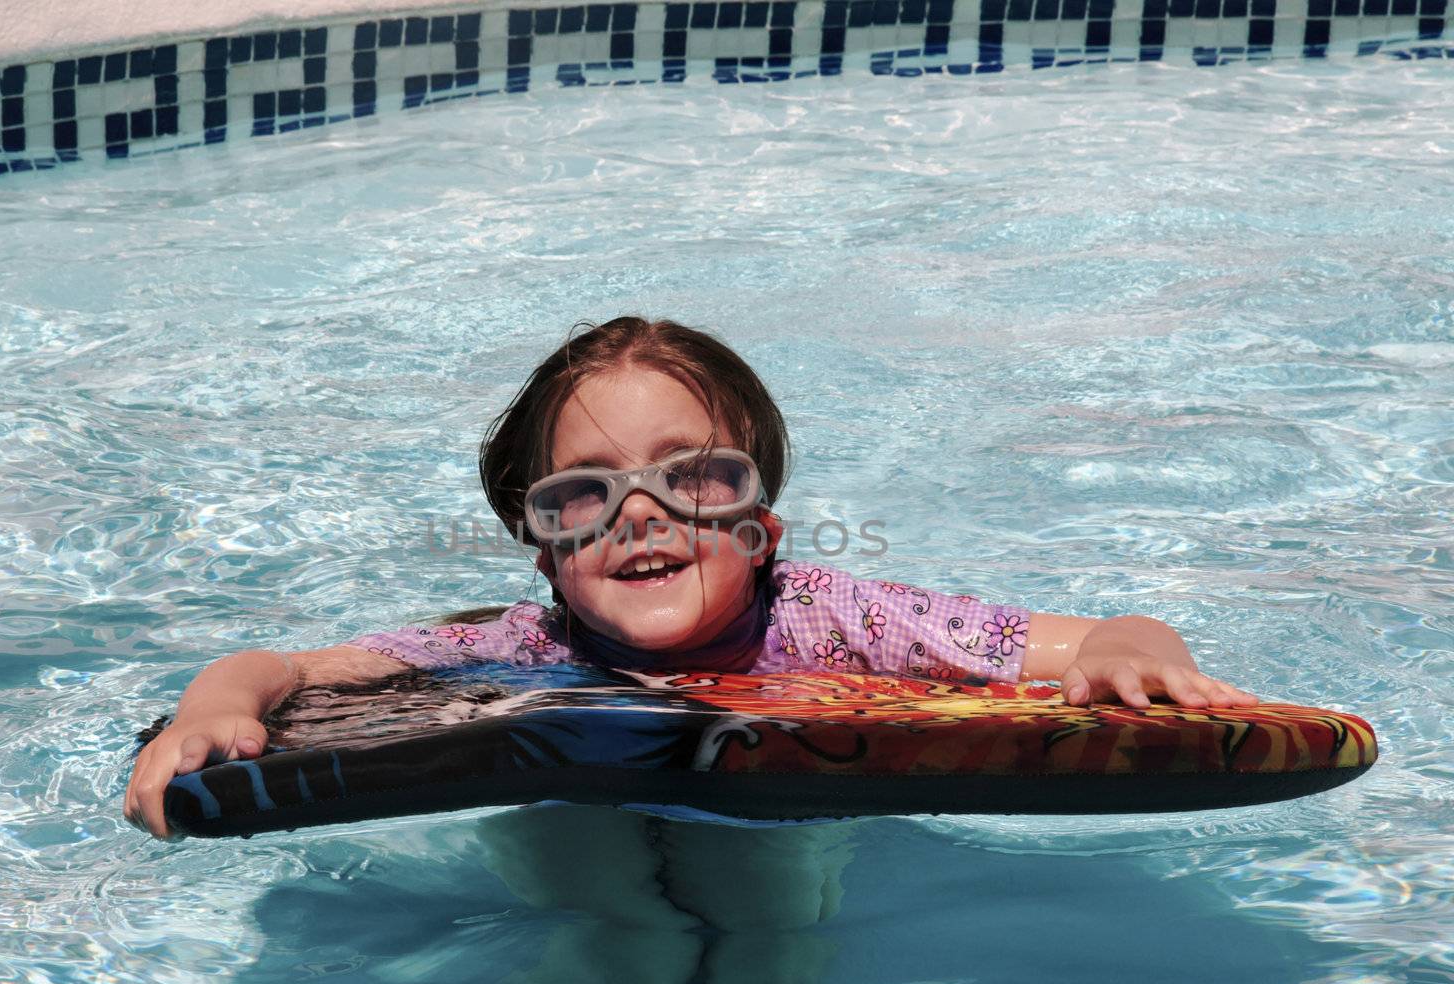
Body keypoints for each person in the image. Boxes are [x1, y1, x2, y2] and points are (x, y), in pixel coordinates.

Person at [123, 316, 1259, 838]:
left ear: (762, 527)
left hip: (781, 812)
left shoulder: (835, 616)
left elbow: (1103, 631)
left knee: (773, 930)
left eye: (695, 479)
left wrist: (1132, 656)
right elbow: (282, 666)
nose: (641, 515)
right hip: (581, 810)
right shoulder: (527, 645)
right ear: (544, 553)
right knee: (593, 927)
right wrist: (216, 707)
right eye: (581, 493)